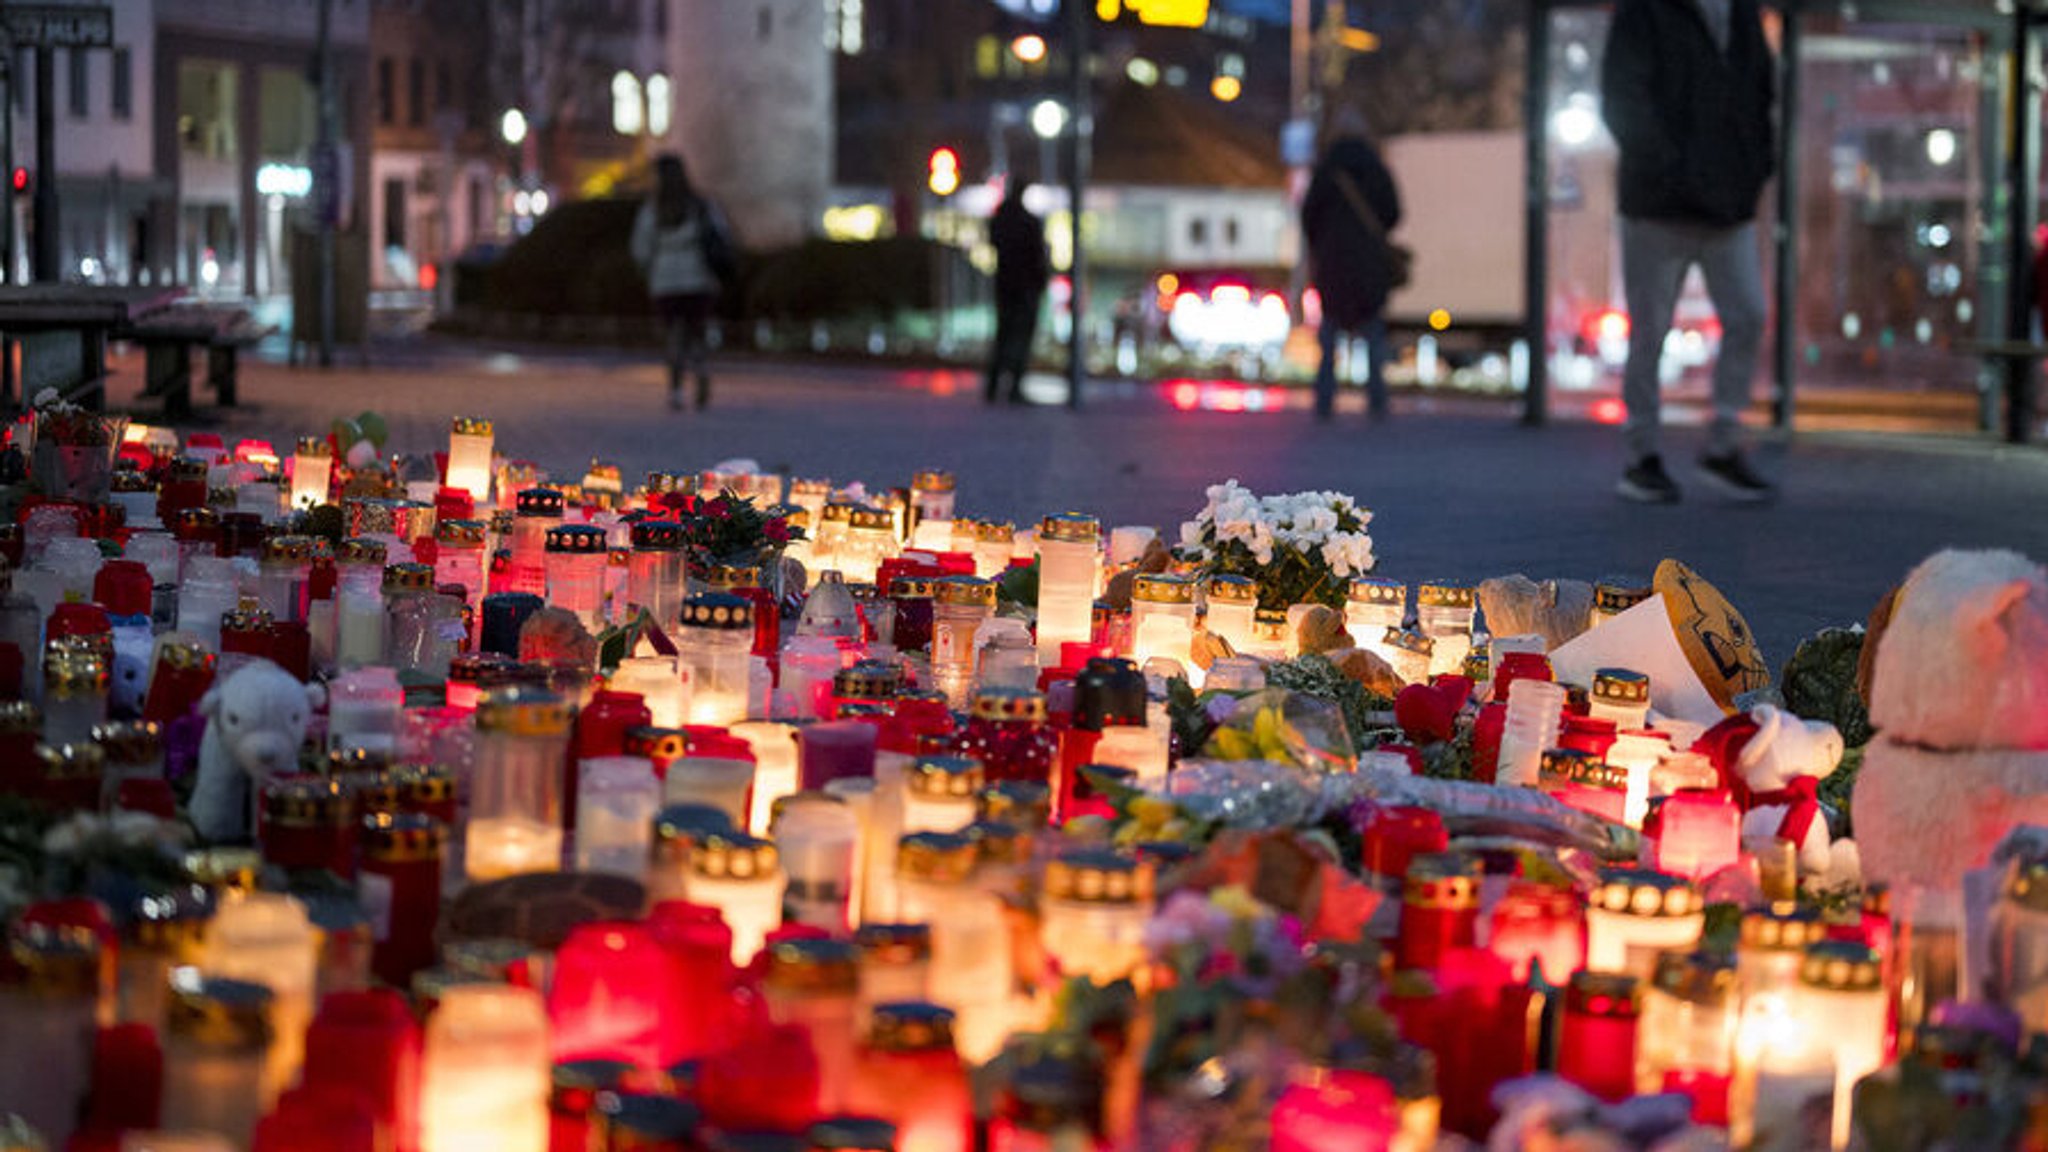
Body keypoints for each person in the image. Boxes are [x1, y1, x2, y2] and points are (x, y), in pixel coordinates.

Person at [1601, 0, 1777, 503]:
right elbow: (1623, 99)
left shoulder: (1742, 13)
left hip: (1728, 206)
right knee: (1649, 332)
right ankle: (1642, 457)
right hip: (1659, 206)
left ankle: (1723, 446)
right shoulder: (1646, 12)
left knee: (1747, 314)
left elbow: (1760, 94)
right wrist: (1672, 171)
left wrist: (1753, 168)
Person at [1300, 109, 1403, 421]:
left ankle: (1325, 398)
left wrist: (1324, 244)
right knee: (1372, 328)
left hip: (1332, 262)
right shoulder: (1376, 168)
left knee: (1329, 331)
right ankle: (1376, 398)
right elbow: (1393, 213)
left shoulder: (1326, 169)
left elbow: (1308, 216)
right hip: (1368, 263)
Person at [632, 153, 734, 411]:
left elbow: (641, 248)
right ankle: (700, 372)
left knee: (673, 336)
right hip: (698, 280)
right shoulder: (699, 205)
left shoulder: (654, 209)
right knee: (696, 333)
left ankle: (676, 390)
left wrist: (650, 270)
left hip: (665, 282)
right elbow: (721, 234)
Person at [986, 188, 1050, 405]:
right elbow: (1037, 256)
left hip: (1006, 286)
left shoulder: (1001, 220)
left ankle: (994, 386)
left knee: (1004, 336)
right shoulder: (1027, 222)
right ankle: (1012, 387)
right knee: (1019, 338)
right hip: (1023, 288)